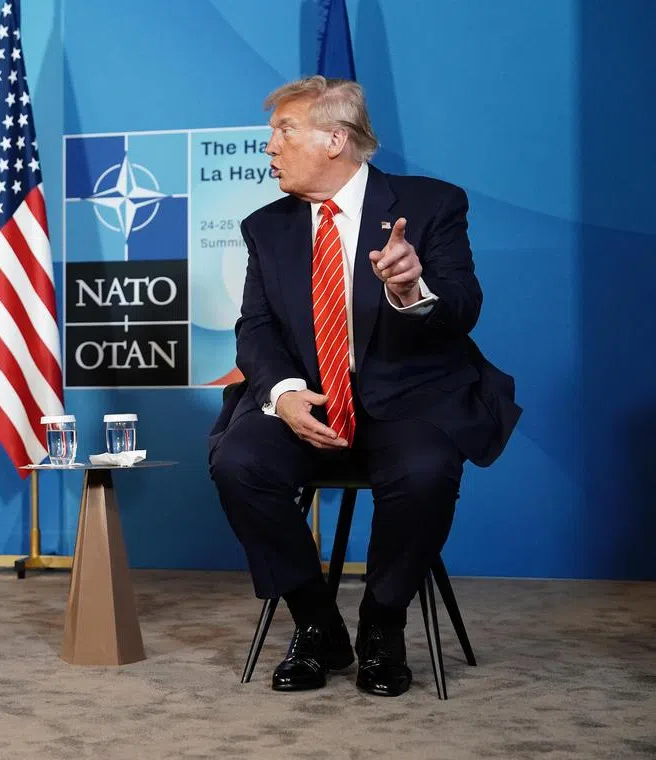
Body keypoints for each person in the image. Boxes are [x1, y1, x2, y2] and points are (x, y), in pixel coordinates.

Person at [209, 77, 520, 697]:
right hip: (312, 401)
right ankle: (317, 623)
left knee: (426, 470)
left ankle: (383, 622)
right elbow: (257, 328)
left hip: (409, 397)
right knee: (239, 462)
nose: (269, 146)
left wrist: (411, 289)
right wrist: (285, 393)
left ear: (335, 139)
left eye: (283, 131)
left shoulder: (432, 205)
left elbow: (463, 307)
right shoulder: (266, 227)